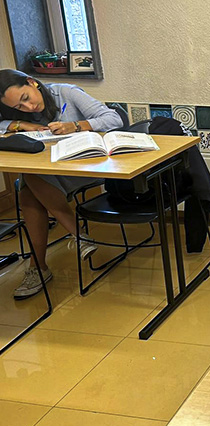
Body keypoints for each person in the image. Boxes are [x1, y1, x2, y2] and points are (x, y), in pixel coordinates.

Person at [0, 69, 123, 300]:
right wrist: (20, 124)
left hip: (87, 167)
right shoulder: (19, 112)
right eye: (19, 107)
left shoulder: (66, 93)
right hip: (50, 173)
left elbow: (114, 119)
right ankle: (75, 240)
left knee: (30, 180)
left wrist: (76, 125)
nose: (28, 107)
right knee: (31, 182)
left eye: (26, 98)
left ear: (31, 82)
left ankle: (40, 266)